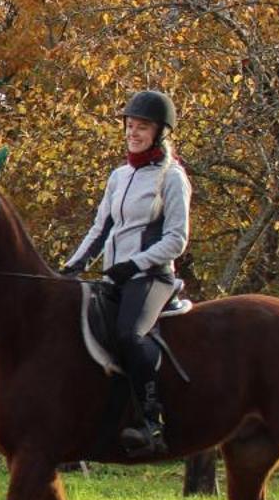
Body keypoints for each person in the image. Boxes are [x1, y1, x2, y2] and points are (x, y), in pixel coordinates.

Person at [58, 89, 192, 456]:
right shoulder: (119, 176)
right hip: (113, 277)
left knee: (130, 335)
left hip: (152, 278)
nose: (133, 133)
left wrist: (134, 264)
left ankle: (153, 421)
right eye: (130, 126)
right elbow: (100, 228)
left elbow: (177, 239)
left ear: (160, 132)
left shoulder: (172, 177)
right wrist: (74, 265)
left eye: (142, 127)